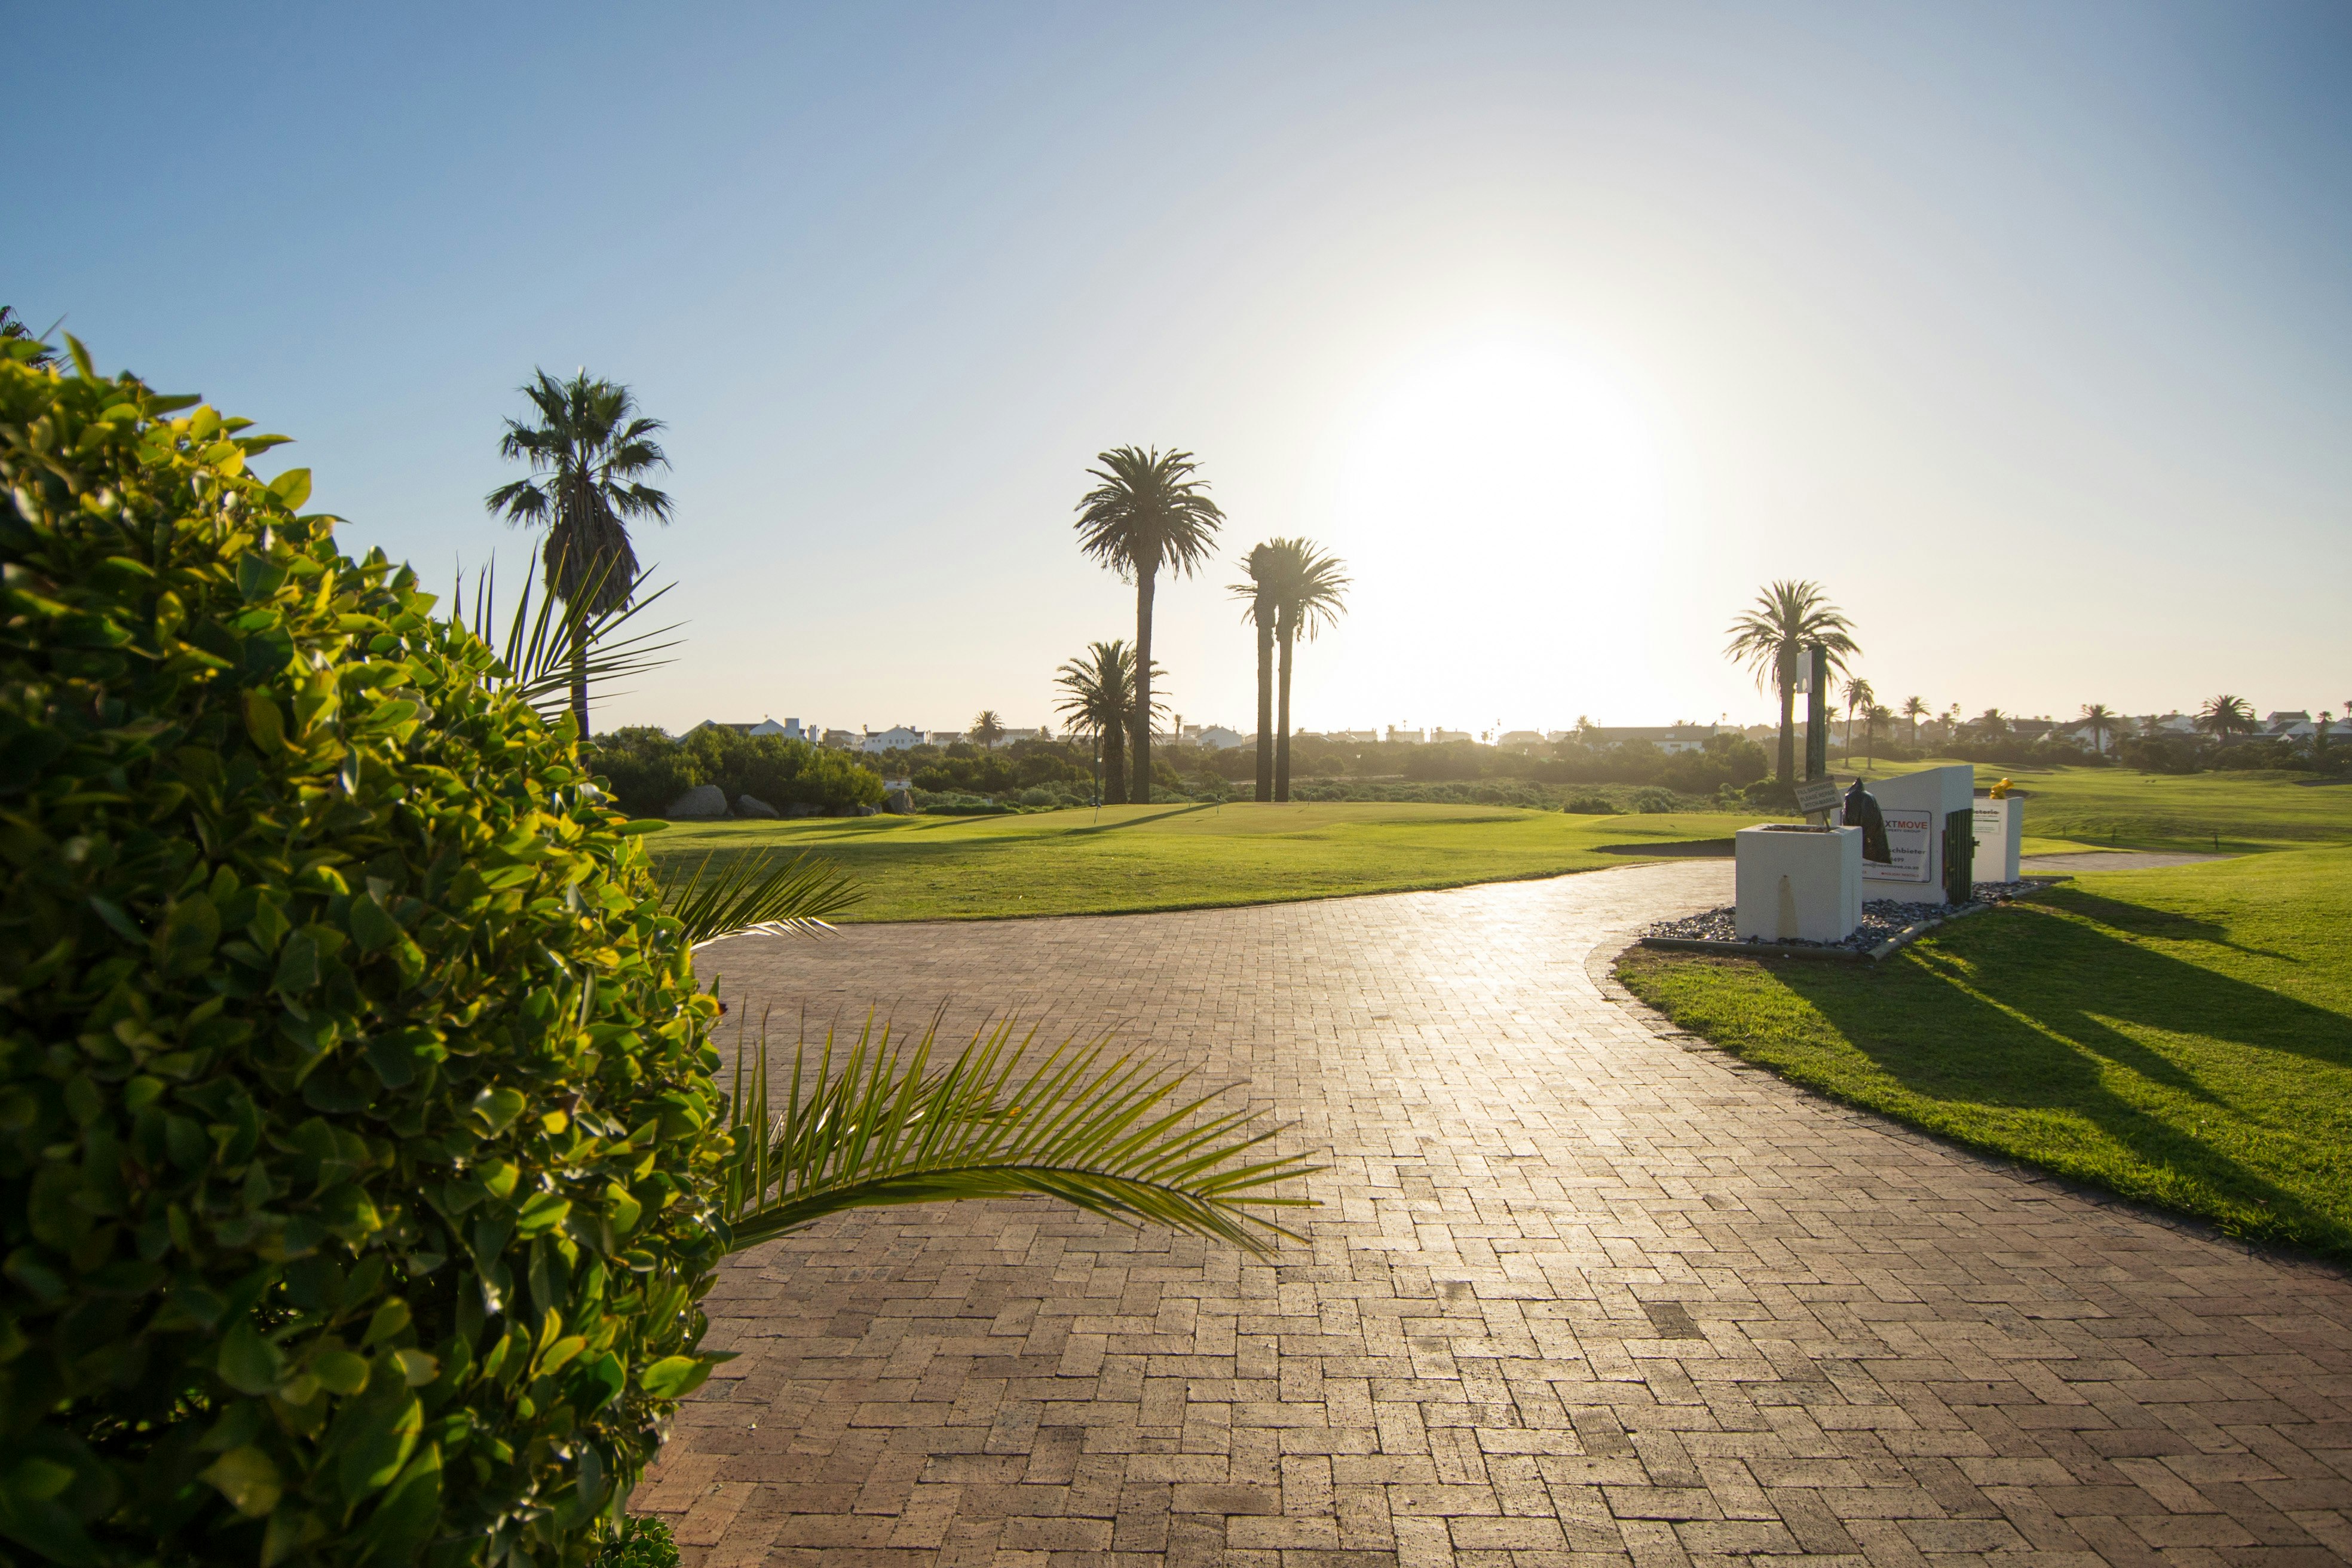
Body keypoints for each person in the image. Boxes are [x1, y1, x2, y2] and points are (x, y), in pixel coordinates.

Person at [1842, 776, 1894, 864]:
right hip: (1868, 834)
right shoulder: (1869, 797)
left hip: (1856, 834)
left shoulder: (1850, 797)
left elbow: (1847, 818)